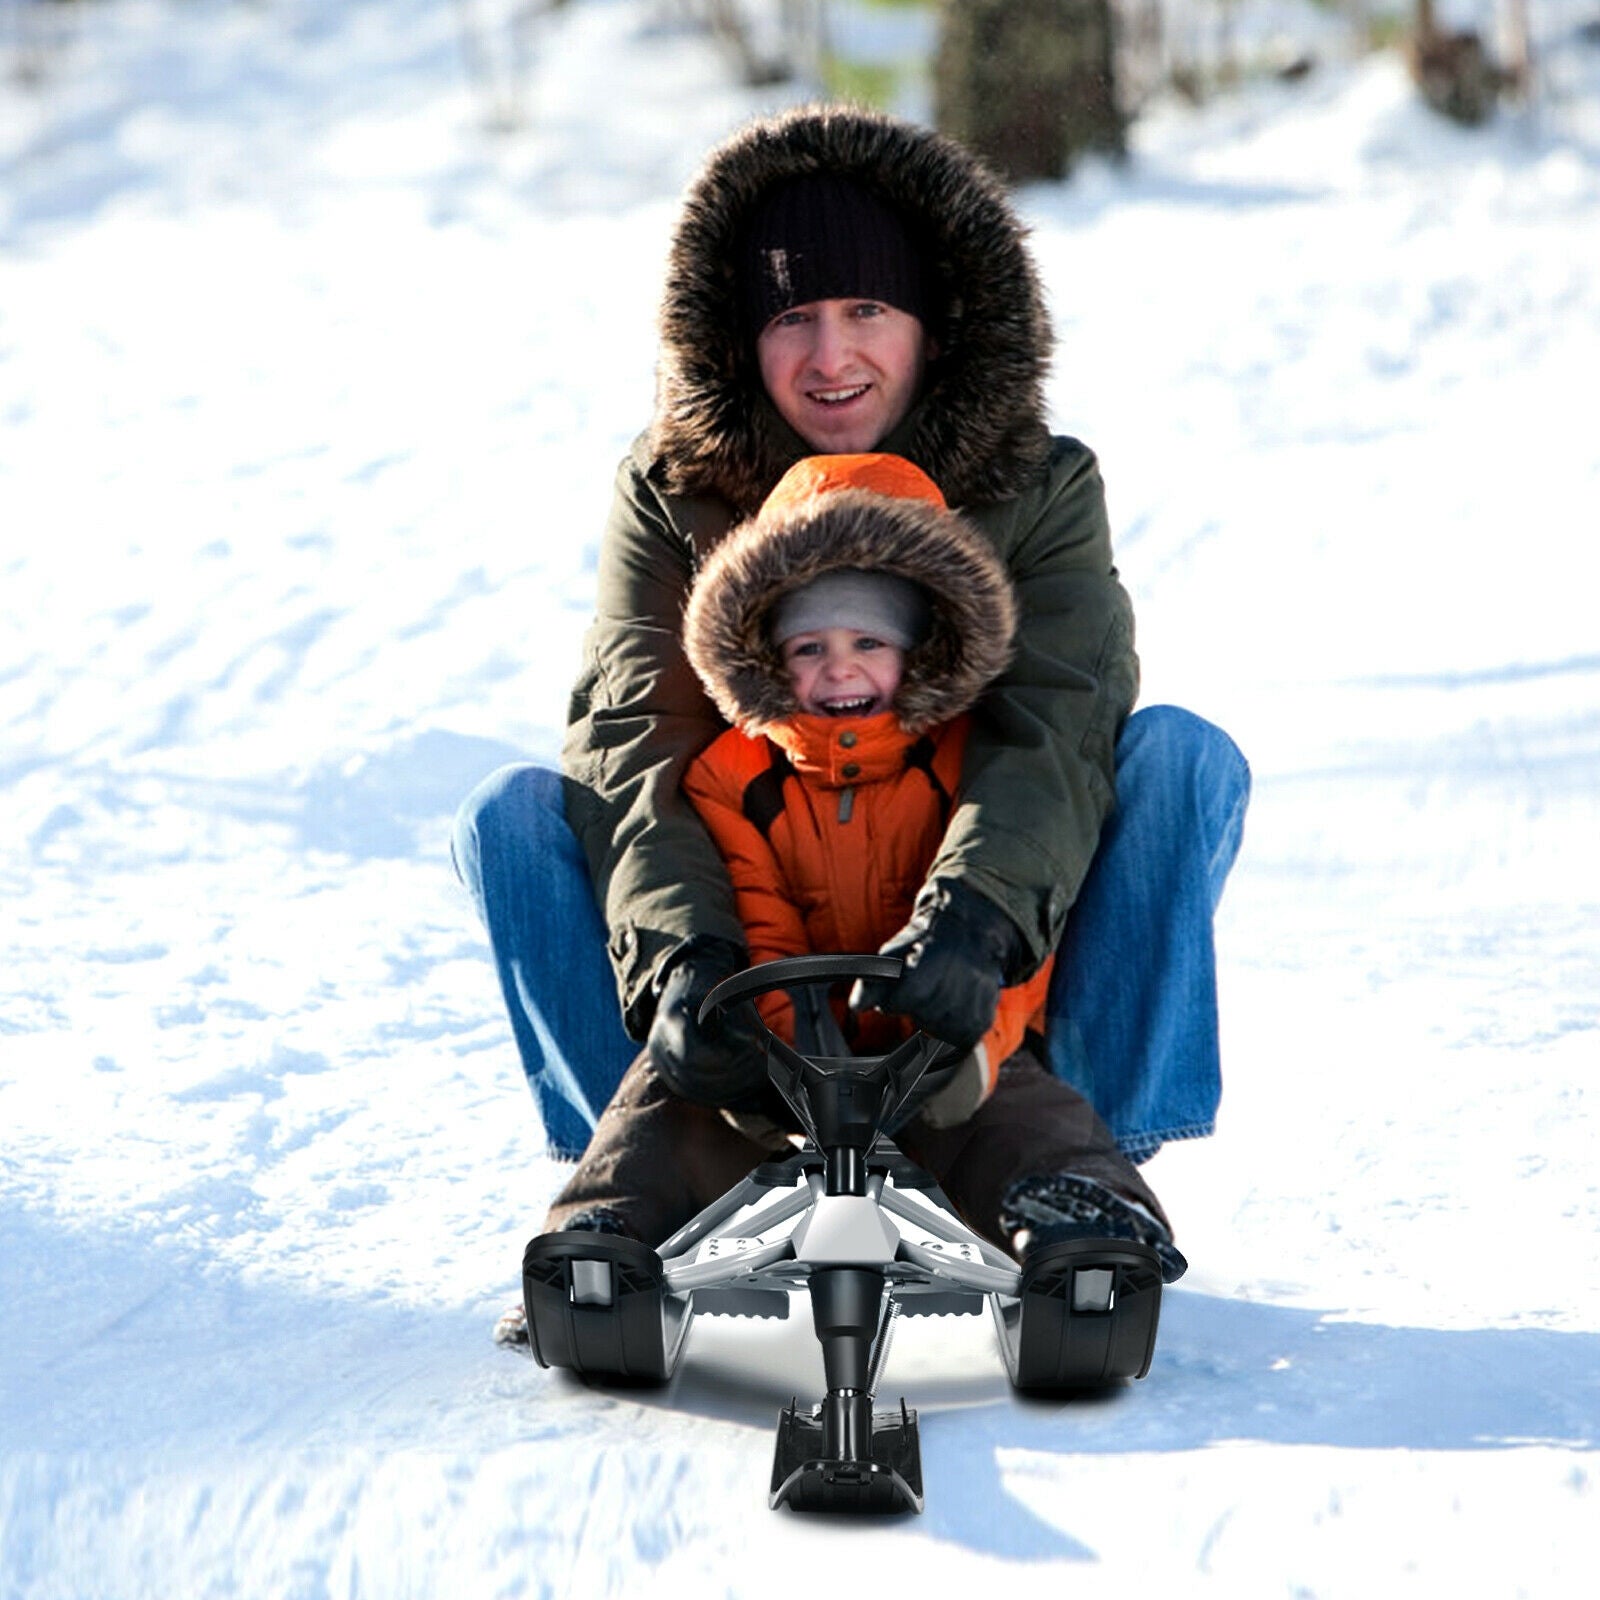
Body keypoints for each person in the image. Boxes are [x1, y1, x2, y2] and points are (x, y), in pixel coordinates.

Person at [451, 103, 1249, 1170]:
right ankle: (645, 1175)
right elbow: (638, 738)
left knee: (1179, 760)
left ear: (933, 322)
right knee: (512, 819)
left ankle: (1079, 1167)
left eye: (866, 308)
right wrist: (686, 957)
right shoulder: (674, 491)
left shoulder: (1040, 486)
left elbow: (1054, 728)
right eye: (791, 318)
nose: (830, 356)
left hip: (969, 971)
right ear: (740, 336)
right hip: (754, 938)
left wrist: (976, 918)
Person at [536, 453, 1186, 1300]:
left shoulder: (959, 764)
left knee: (1025, 1113)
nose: (839, 670)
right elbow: (754, 919)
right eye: (810, 647)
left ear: (919, 652)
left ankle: (1081, 1225)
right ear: (767, 654)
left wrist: (972, 1033)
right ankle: (605, 1238)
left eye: (868, 643)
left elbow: (1019, 919)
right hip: (784, 1054)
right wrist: (753, 1042)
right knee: (664, 1101)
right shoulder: (732, 777)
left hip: (945, 1041)